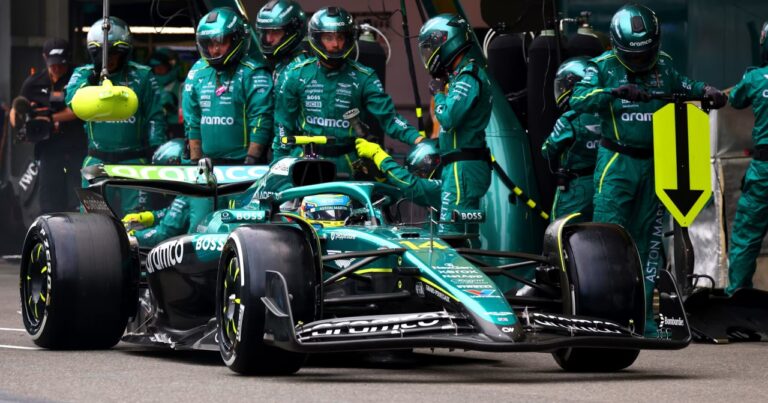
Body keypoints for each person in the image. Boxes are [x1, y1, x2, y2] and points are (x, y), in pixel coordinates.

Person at [569, 4, 727, 336]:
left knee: (649, 243)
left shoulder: (664, 64)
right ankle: (606, 318)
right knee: (609, 240)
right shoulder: (602, 67)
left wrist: (705, 91)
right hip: (617, 163)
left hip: (657, 163)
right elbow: (577, 100)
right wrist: (612, 92)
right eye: (634, 55)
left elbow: (684, 85)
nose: (641, 60)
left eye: (646, 53)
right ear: (618, 45)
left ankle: (645, 319)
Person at [274, 6, 423, 177]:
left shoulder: (364, 77)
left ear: (349, 38)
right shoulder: (296, 74)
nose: (335, 44)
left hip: (349, 161)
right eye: (328, 38)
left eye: (340, 37)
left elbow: (390, 118)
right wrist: (278, 167)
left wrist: (418, 140)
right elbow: (283, 126)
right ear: (316, 38)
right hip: (306, 158)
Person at [66, 17, 167, 216]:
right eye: (102, 54)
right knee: (94, 220)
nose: (109, 59)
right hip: (97, 161)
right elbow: (71, 100)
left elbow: (155, 116)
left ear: (125, 52)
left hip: (134, 162)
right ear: (93, 53)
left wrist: (156, 151)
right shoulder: (82, 74)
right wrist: (91, 81)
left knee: (136, 219)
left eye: (114, 53)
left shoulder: (143, 75)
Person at [417, 14, 493, 235]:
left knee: (451, 235)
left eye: (430, 48)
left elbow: (449, 118)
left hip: (463, 167)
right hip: (459, 166)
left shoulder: (468, 76)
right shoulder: (461, 76)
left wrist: (439, 93)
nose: (429, 55)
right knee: (461, 233)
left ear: (446, 41)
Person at [182, 7, 274, 165]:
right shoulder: (197, 72)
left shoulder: (253, 72)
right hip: (206, 163)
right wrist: (194, 162)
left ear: (235, 39)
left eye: (221, 42)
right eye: (209, 44)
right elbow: (192, 121)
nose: (214, 50)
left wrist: (251, 160)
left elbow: (261, 119)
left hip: (244, 164)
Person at [9, 38, 86, 213]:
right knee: (49, 202)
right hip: (48, 149)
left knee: (77, 200)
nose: (57, 68)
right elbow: (17, 108)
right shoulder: (33, 82)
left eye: (61, 64)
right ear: (45, 58)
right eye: (53, 64)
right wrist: (20, 124)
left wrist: (50, 118)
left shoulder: (79, 77)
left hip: (77, 148)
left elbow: (80, 110)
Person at [725, 22, 768, 295]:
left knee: (746, 236)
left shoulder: (755, 78)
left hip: (764, 171)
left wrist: (749, 75)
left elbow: (736, 99)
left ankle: (737, 300)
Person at [541, 57, 601, 222]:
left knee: (562, 229)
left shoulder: (569, 119)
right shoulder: (609, 113)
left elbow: (547, 151)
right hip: (605, 183)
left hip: (576, 187)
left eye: (563, 86)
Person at [122, 139, 212, 247]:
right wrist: (151, 217)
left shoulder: (192, 188)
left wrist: (135, 236)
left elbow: (165, 233)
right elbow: (178, 212)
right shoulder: (206, 178)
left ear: (176, 165)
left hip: (195, 251)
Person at [254, 0, 309, 161]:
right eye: (266, 32)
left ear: (292, 31)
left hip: (296, 153)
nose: (269, 39)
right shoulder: (282, 65)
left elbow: (284, 125)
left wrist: (279, 159)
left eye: (275, 32)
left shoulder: (298, 68)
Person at [355, 138, 441, 208]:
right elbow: (401, 187)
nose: (419, 177)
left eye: (420, 174)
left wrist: (378, 155)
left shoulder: (445, 185)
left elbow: (410, 185)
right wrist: (381, 175)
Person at [148, 48, 183, 135]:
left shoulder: (183, 87)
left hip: (176, 130)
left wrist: (173, 109)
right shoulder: (151, 86)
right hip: (154, 130)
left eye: (161, 67)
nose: (157, 70)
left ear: (172, 67)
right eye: (155, 68)